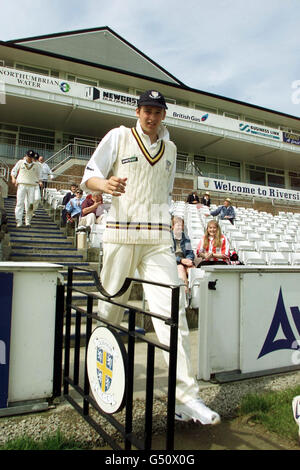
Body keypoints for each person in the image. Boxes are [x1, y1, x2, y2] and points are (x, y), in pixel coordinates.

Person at [80, 89, 220, 426]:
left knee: (173, 315)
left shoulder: (171, 149)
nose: (151, 117)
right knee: (109, 311)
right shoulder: (119, 136)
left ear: (163, 115)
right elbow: (88, 176)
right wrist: (105, 185)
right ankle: (99, 382)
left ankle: (186, 397)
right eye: (146, 110)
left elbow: (164, 192)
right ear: (138, 111)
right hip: (121, 235)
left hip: (157, 239)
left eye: (157, 111)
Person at [11, 150, 42, 228]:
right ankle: (19, 221)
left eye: (31, 157)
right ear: (26, 156)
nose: (30, 158)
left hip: (32, 185)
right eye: (29, 157)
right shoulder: (20, 162)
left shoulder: (36, 165)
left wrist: (39, 181)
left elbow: (39, 175)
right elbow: (14, 171)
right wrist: (13, 178)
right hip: (22, 185)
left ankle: (28, 221)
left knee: (30, 204)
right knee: (19, 203)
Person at [172, 216, 195, 293]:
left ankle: (195, 295)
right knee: (181, 268)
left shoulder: (186, 239)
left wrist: (188, 260)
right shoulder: (169, 238)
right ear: (172, 226)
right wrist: (181, 260)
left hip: (185, 261)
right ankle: (185, 293)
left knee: (192, 270)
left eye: (181, 225)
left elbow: (190, 252)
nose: (179, 227)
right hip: (175, 261)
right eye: (177, 225)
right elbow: (169, 254)